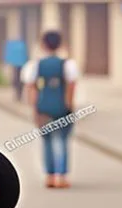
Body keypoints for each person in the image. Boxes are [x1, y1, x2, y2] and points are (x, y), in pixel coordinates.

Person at [21, 30, 78, 189]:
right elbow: (71, 85)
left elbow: (31, 87)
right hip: (62, 107)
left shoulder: (35, 65)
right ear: (60, 44)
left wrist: (35, 108)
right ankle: (62, 176)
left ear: (43, 45)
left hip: (43, 107)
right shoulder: (68, 64)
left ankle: (50, 176)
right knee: (63, 141)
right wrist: (69, 104)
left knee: (47, 141)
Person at [3, 37, 28, 102]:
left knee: (17, 80)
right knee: (18, 80)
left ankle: (18, 95)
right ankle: (18, 95)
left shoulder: (14, 47)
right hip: (20, 65)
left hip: (18, 66)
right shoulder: (22, 47)